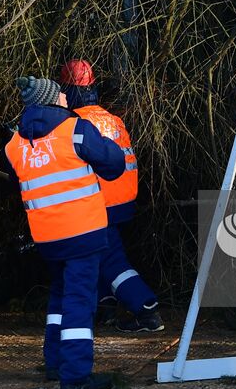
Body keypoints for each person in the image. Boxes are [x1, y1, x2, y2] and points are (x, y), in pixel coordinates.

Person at [5, 75, 126, 389]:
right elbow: (114, 165)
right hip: (83, 231)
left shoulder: (15, 144)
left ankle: (55, 362)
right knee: (79, 300)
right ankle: (75, 374)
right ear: (50, 99)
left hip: (47, 236)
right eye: (60, 94)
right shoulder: (75, 129)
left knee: (59, 295)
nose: (64, 97)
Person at [59, 61, 164, 333]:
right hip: (122, 200)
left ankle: (146, 309)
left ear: (67, 90)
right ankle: (104, 309)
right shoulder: (111, 118)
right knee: (98, 254)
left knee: (110, 260)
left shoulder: (76, 123)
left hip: (97, 203)